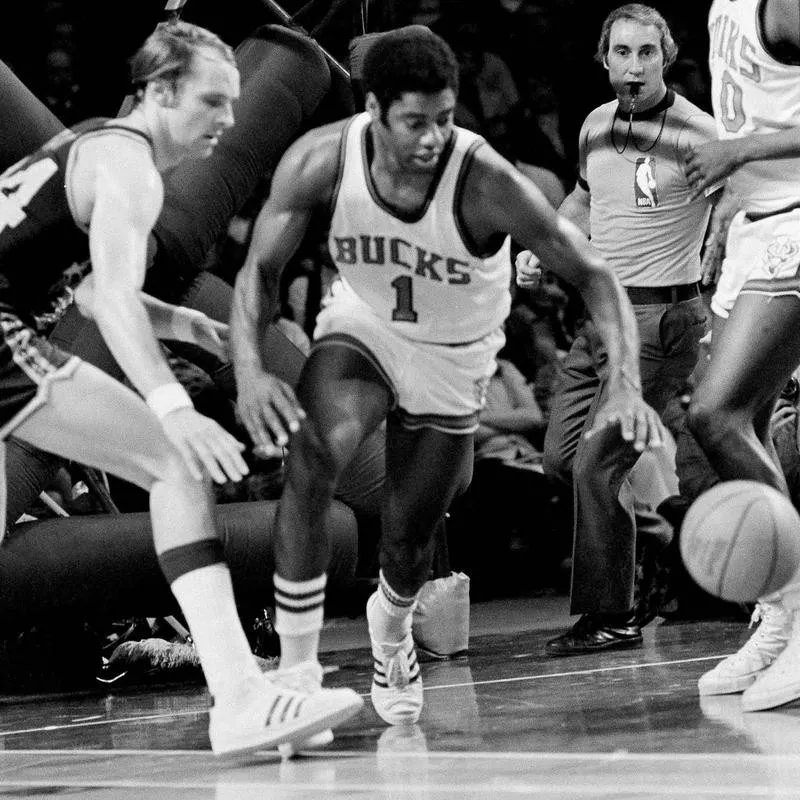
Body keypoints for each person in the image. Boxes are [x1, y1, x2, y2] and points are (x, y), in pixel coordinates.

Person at [230, 24, 663, 728]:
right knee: (314, 455)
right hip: (364, 325)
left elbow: (594, 274)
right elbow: (259, 273)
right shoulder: (320, 160)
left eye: (444, 119)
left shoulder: (487, 179)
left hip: (454, 353)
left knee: (407, 538)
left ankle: (392, 628)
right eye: (413, 122)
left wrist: (625, 385)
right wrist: (250, 372)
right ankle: (298, 675)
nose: (432, 137)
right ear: (373, 110)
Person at [0, 19, 361, 755]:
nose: (230, 121)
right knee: (173, 461)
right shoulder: (127, 166)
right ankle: (238, 696)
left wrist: (192, 328)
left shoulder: (94, 146)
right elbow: (117, 304)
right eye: (213, 101)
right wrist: (172, 405)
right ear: (160, 91)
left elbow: (102, 291)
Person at [516, 3, 719, 656]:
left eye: (647, 53)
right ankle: (661, 545)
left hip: (663, 321)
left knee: (600, 465)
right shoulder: (597, 125)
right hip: (599, 317)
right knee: (562, 461)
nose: (634, 66)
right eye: (622, 53)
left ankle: (612, 616)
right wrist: (545, 243)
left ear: (667, 57)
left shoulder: (695, 133)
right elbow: (583, 198)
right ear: (604, 60)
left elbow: (742, 201)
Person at [682, 0, 800, 712]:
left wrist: (741, 153)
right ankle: (778, 619)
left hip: (797, 220)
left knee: (716, 414)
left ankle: (795, 611)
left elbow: (748, 135)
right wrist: (727, 204)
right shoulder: (724, 3)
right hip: (757, 224)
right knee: (739, 420)